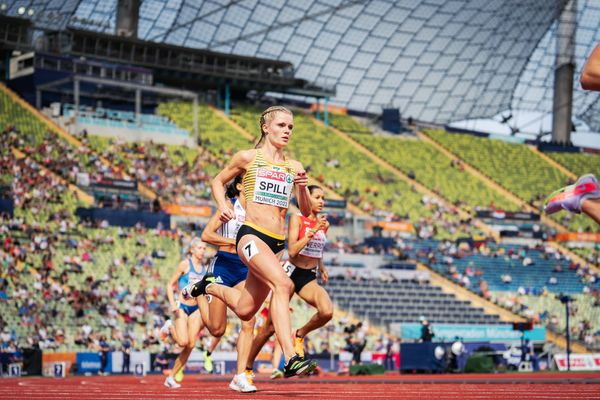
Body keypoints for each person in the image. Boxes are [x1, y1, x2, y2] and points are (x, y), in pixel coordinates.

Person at [183, 105, 318, 377]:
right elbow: (217, 181)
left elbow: (305, 211)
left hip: (275, 244)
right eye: (281, 125)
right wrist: (222, 205)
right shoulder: (248, 158)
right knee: (283, 283)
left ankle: (208, 287)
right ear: (266, 128)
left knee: (245, 309)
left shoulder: (294, 167)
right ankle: (290, 356)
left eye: (290, 127)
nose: (287, 131)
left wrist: (302, 188)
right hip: (251, 235)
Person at [245, 185, 333, 377]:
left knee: (327, 311)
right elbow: (292, 251)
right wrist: (312, 231)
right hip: (289, 273)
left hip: (308, 276)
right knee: (268, 328)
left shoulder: (324, 224)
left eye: (323, 198)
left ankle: (299, 335)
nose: (321, 201)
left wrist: (322, 266)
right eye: (317, 197)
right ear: (306, 199)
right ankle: (247, 367)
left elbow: (318, 249)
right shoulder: (297, 219)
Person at [197, 174, 257, 393]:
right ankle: (200, 291)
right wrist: (235, 242)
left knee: (249, 319)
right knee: (216, 329)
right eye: (250, 183)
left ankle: (240, 376)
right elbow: (206, 235)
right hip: (222, 265)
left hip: (244, 268)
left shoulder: (256, 212)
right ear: (240, 186)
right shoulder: (228, 207)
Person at [163, 238, 210, 388]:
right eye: (200, 248)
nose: (203, 250)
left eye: (204, 248)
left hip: (196, 309)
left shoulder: (205, 269)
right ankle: (169, 326)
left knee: (190, 345)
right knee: (182, 342)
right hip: (182, 307)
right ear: (192, 250)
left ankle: (171, 377)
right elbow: (170, 285)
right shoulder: (185, 264)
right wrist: (172, 304)